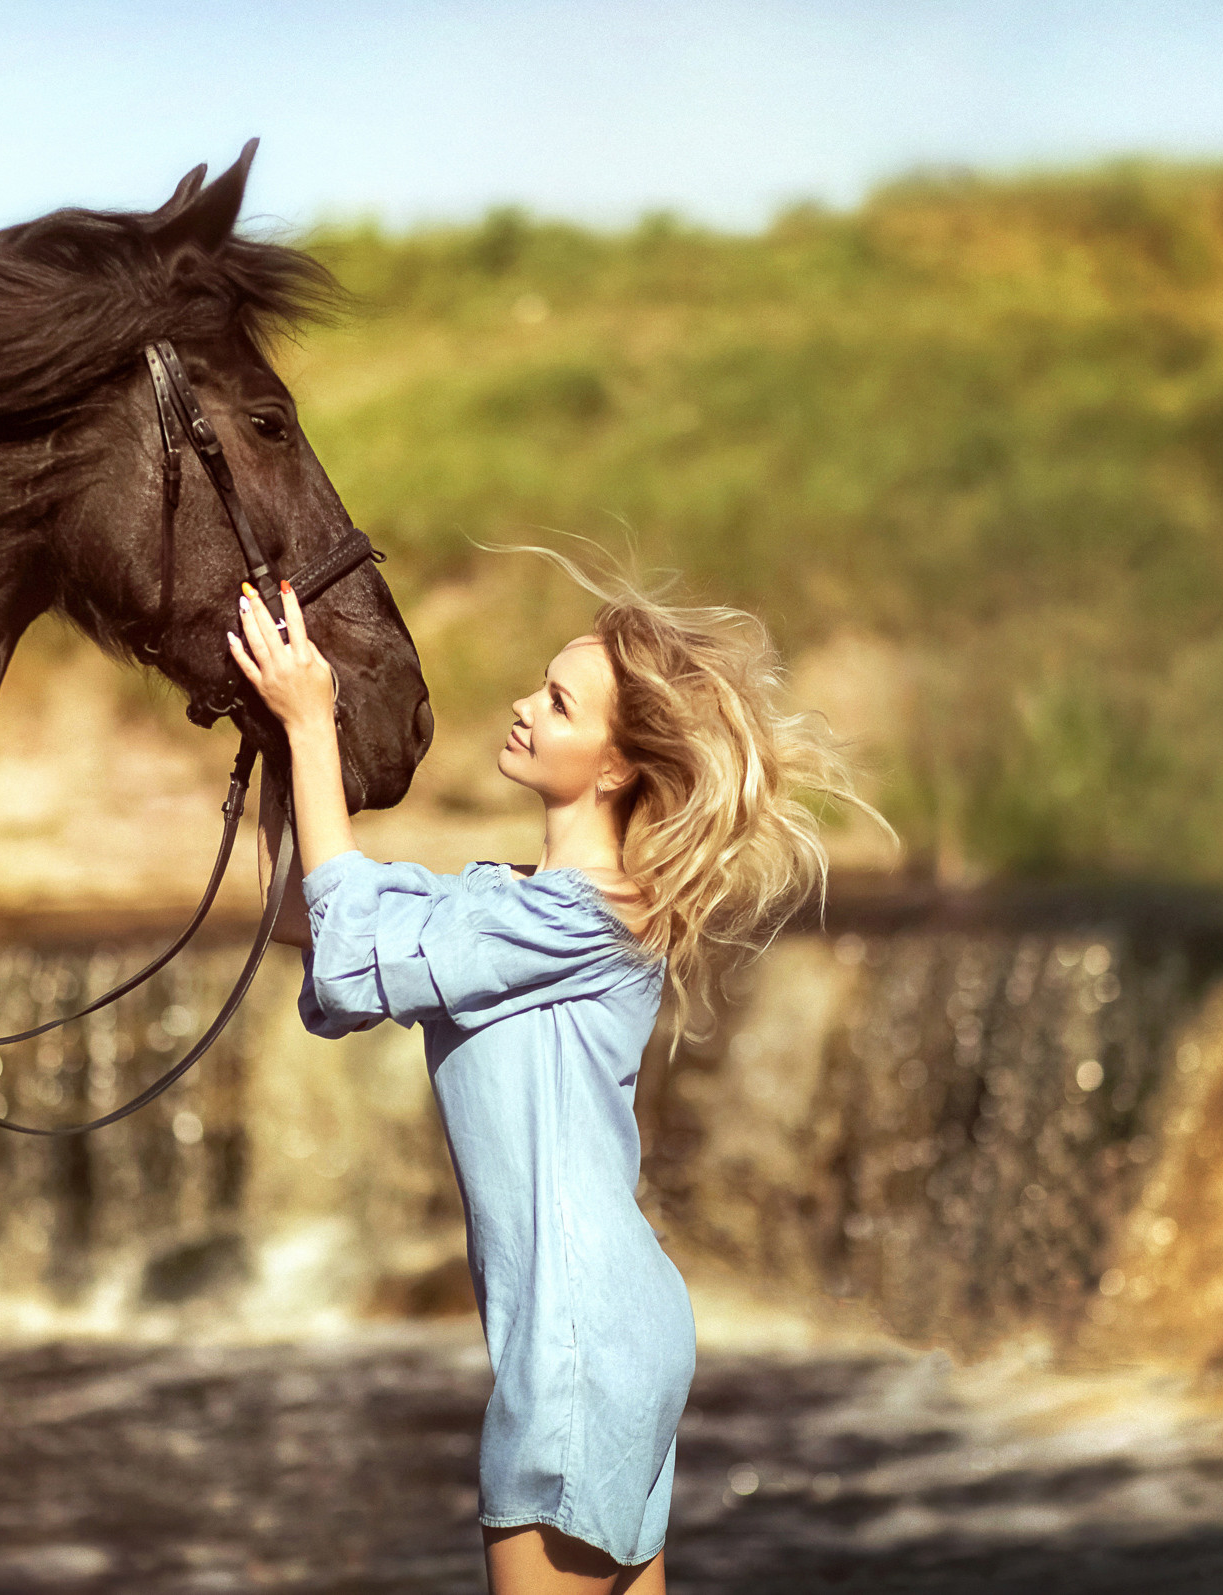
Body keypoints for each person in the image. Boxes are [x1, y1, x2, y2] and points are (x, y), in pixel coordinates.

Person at [230, 547, 892, 1594]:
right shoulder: (516, 902)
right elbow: (329, 924)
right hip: (609, 1325)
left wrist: (316, 728)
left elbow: (354, 962)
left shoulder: (577, 918)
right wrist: (281, 731)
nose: (525, 707)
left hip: (577, 1344)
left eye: (559, 701)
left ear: (619, 763)